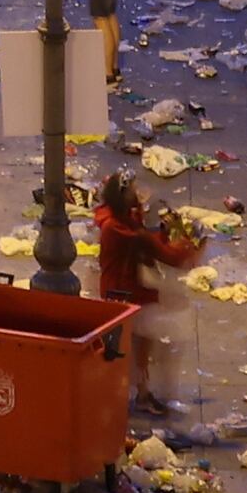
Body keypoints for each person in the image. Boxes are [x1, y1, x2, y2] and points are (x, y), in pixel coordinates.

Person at [90, 172, 201, 411]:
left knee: (134, 340)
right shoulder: (122, 230)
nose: (139, 194)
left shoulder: (116, 219)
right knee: (140, 335)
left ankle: (140, 388)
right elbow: (166, 254)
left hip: (120, 286)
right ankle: (137, 388)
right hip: (124, 293)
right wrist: (191, 246)